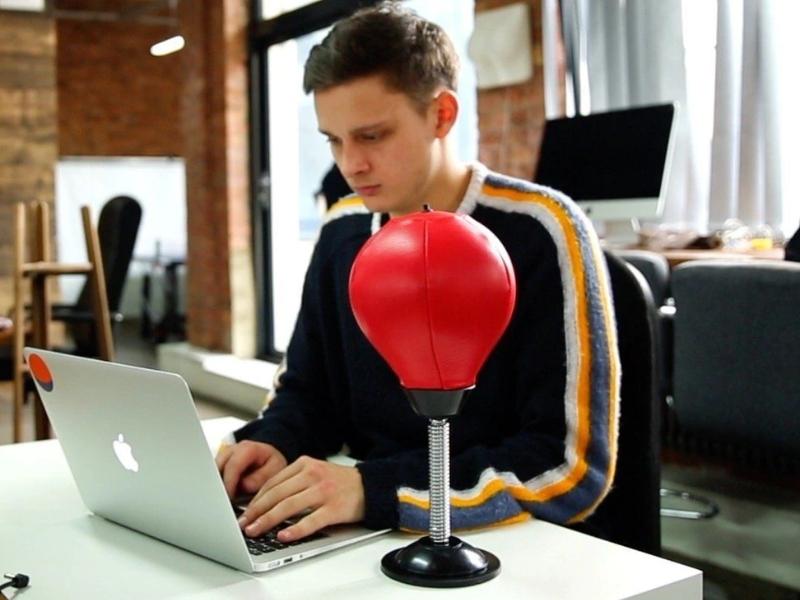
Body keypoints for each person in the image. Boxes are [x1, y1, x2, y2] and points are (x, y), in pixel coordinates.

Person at [217, 1, 620, 545]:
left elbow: (569, 468)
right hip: (370, 528)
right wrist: (273, 442)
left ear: (442, 115)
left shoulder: (543, 230)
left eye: (372, 136)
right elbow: (308, 393)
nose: (349, 164)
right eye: (333, 140)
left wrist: (375, 489)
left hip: (502, 543)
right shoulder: (343, 231)